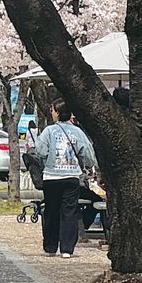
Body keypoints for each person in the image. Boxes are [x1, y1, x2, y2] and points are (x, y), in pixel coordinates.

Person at [34, 99, 96, 258]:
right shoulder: (77, 132)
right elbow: (88, 154)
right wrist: (86, 167)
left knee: (51, 211)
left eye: (52, 110)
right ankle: (67, 248)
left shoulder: (48, 131)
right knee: (69, 212)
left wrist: (47, 162)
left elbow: (40, 151)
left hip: (51, 176)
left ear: (57, 112)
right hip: (71, 176)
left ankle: (50, 246)